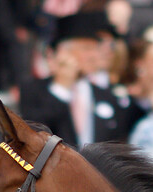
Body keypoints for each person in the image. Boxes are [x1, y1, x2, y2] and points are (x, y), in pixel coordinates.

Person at [20, 12, 128, 148]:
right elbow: (33, 134)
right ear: (63, 52)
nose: (94, 56)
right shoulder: (33, 90)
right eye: (86, 48)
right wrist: (62, 88)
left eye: (96, 49)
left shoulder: (106, 95)